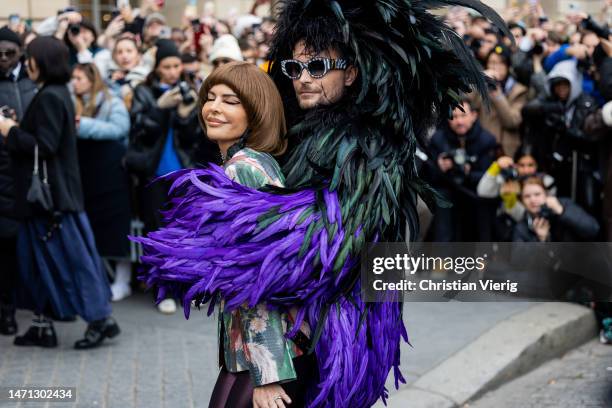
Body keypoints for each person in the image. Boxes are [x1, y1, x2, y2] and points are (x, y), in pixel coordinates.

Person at [136, 0, 506, 406]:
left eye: (317, 67)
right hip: (293, 336)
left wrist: (222, 228)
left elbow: (299, 250)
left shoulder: (368, 148)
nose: (303, 79)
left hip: (321, 338)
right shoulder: (296, 135)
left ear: (350, 72)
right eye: (294, 69)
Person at [193, 61, 314, 408]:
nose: (213, 107)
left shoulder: (242, 169)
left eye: (230, 101)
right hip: (251, 351)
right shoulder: (252, 162)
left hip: (267, 357)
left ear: (255, 113)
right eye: (210, 97)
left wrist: (268, 372)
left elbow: (262, 279)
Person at [0, 36, 120, 349]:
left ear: (45, 62)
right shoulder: (53, 93)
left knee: (72, 261)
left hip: (53, 199)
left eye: (31, 59)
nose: (27, 64)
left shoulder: (51, 96)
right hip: (45, 199)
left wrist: (9, 131)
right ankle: (42, 326)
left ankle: (101, 320)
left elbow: (46, 146)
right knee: (38, 264)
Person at [125, 39, 214, 314]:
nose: (173, 71)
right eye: (167, 66)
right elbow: (140, 129)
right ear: (157, 67)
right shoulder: (144, 91)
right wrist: (160, 108)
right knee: (156, 232)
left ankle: (182, 288)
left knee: (184, 231)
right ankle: (160, 289)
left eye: (176, 65)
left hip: (182, 172)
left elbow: (193, 139)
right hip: (154, 174)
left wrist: (187, 116)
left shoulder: (190, 90)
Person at [71, 63, 133, 302]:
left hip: (111, 175)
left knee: (116, 227)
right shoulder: (74, 101)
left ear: (90, 79)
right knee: (94, 228)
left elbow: (120, 128)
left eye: (79, 78)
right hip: (89, 176)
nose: (74, 82)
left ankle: (122, 280)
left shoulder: (110, 102)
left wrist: (82, 125)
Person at [522, 59, 599, 214]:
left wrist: (567, 129)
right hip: (554, 162)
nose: (561, 89)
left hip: (580, 164)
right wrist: (548, 109)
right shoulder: (551, 101)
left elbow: (590, 137)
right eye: (557, 85)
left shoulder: (586, 103)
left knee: (584, 204)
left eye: (565, 84)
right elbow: (527, 111)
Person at [0, 26, 37, 336]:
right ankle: (6, 311)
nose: (2, 57)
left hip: (25, 174)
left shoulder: (30, 85)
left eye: (9, 52)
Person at [426, 98, 498, 241]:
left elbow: (488, 177)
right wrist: (439, 167)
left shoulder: (486, 140)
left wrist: (467, 172)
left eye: (463, 115)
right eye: (454, 117)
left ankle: (482, 258)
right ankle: (442, 260)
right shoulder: (438, 140)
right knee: (442, 201)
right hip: (447, 190)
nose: (459, 122)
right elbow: (427, 177)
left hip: (474, 192)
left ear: (474, 115)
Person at [473, 44, 528, 157]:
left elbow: (512, 121)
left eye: (500, 63)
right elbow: (468, 106)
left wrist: (497, 93)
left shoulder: (519, 90)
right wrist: (479, 82)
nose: (495, 67)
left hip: (507, 150)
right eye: (492, 62)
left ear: (508, 66)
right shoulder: (479, 85)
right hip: (482, 146)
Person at [513, 176, 599, 242]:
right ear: (522, 201)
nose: (532, 200)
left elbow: (593, 229)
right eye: (527, 196)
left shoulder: (563, 205)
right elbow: (520, 261)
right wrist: (541, 240)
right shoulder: (521, 228)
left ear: (546, 195)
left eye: (537, 194)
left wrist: (561, 211)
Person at [108, 36, 150, 110]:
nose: (124, 56)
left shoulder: (147, 77)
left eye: (129, 51)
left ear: (138, 55)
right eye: (119, 52)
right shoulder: (110, 78)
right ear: (114, 57)